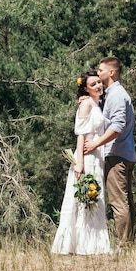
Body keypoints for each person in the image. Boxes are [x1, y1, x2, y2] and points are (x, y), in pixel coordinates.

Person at [51, 70, 113, 255]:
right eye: (93, 84)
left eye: (99, 82)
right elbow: (81, 134)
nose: (98, 86)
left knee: (94, 196)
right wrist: (79, 163)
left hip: (97, 153)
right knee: (84, 196)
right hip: (87, 154)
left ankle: (94, 244)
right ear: (85, 88)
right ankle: (78, 244)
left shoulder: (97, 102)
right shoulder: (86, 104)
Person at [84, 56, 136, 243]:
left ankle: (124, 245)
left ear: (111, 72)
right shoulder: (114, 94)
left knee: (118, 203)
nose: (98, 73)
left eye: (101, 70)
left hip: (117, 155)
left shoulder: (117, 95)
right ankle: (129, 242)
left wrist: (95, 144)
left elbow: (117, 126)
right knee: (126, 202)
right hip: (126, 153)